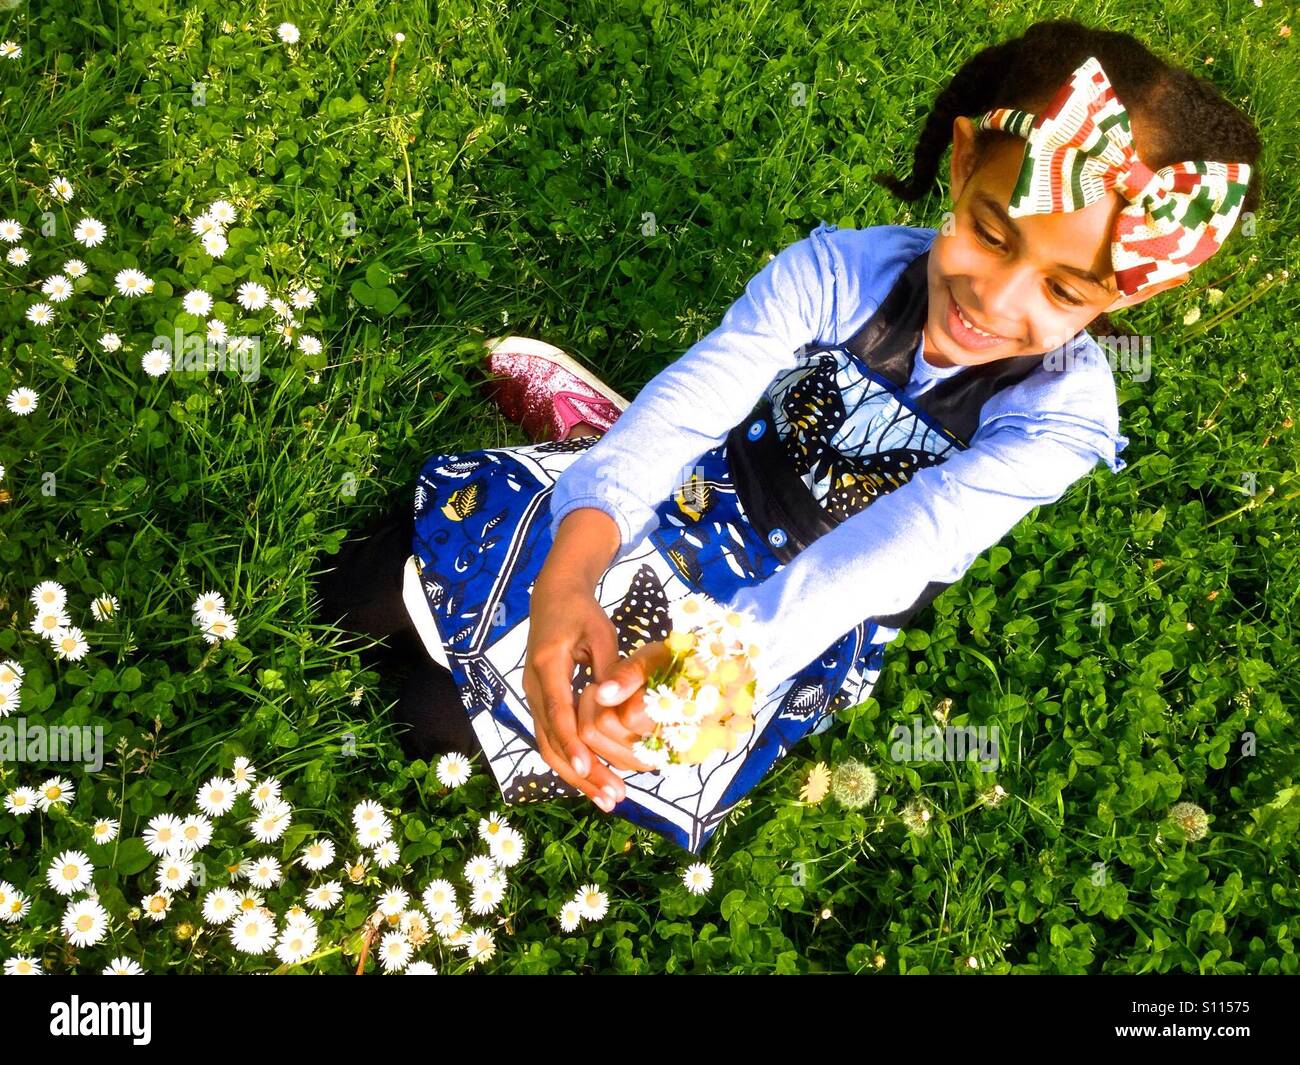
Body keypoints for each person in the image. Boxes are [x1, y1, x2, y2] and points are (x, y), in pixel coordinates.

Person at [313, 19, 1260, 855]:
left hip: (786, 609)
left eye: (1063, 288)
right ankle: (606, 462)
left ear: (1130, 292)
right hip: (707, 485)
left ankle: (600, 458)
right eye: (990, 231)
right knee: (353, 592)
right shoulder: (838, 271)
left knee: (429, 717)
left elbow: (882, 556)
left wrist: (699, 673)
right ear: (966, 164)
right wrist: (571, 570)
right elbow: (695, 404)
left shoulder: (1060, 422)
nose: (994, 299)